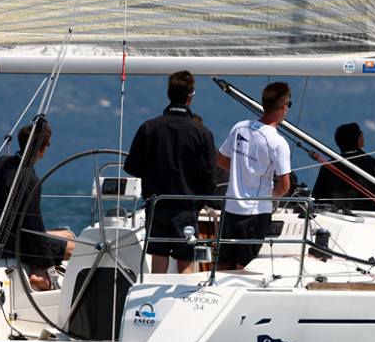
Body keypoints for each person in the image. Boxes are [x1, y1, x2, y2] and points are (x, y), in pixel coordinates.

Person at [0, 120, 75, 290]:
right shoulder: (29, 179)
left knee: (67, 235)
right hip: (12, 244)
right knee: (77, 248)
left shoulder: (0, 163)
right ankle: (39, 276)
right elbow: (33, 229)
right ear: (43, 148)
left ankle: (39, 269)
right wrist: (48, 263)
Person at [124, 71, 217, 274]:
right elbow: (210, 176)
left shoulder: (149, 128)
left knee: (159, 262)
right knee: (186, 263)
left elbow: (131, 167)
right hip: (186, 206)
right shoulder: (203, 133)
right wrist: (198, 203)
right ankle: (184, 295)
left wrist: (152, 172)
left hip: (157, 204)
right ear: (190, 96)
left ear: (168, 94)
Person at [216, 81, 292, 271]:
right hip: (256, 212)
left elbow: (221, 159)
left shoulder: (240, 128)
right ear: (284, 107)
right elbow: (285, 186)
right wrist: (270, 199)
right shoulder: (278, 142)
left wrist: (241, 172)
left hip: (231, 206)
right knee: (243, 266)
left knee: (223, 263)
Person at [312, 122, 375, 212]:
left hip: (335, 217)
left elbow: (317, 197)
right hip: (368, 218)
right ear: (359, 140)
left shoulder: (328, 167)